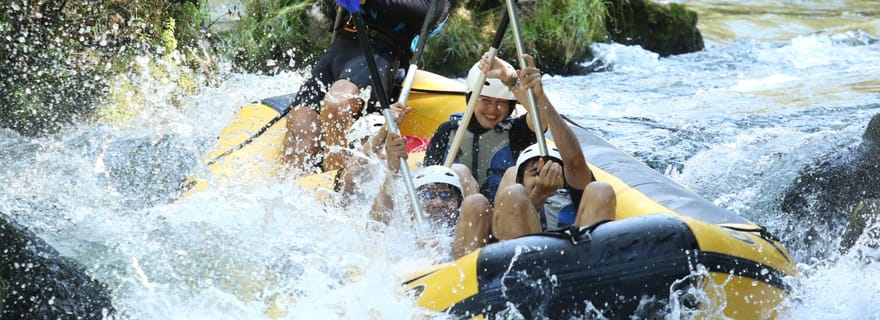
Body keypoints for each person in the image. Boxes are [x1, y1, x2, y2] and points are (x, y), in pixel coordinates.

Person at [451, 56, 617, 258]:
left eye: (554, 170)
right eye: (536, 172)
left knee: (601, 189)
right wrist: (537, 196)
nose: (546, 176)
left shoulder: (569, 198)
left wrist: (537, 94)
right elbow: (512, 209)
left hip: (577, 264)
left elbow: (573, 162)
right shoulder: (513, 198)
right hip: (521, 267)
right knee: (508, 195)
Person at [283, 0, 451, 176]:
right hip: (343, 42)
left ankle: (336, 187)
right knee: (300, 118)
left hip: (381, 51)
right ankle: (293, 186)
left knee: (336, 104)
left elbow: (428, 12)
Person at [423, 54, 547, 202]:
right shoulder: (447, 131)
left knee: (514, 173)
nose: (493, 109)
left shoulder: (517, 130)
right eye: (486, 101)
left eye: (501, 102)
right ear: (472, 99)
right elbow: (426, 180)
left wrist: (512, 81)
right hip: (462, 218)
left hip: (503, 215)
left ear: (511, 105)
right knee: (458, 171)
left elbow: (542, 120)